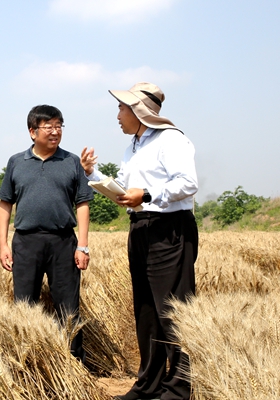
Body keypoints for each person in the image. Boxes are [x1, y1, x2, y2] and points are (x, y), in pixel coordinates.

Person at [81, 82, 198, 400]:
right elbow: (127, 192)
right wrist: (93, 176)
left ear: (139, 111)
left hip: (169, 229)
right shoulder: (133, 146)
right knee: (146, 309)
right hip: (141, 229)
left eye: (122, 108)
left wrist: (145, 195)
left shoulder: (170, 139)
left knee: (173, 309)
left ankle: (181, 387)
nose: (117, 114)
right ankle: (149, 383)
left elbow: (188, 183)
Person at [0, 104, 93, 361]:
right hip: (26, 243)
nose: (55, 131)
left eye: (59, 126)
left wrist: (82, 245)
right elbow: (5, 203)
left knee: (68, 308)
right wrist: (3, 244)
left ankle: (74, 367)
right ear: (32, 131)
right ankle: (26, 364)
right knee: (24, 306)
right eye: (48, 126)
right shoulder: (17, 162)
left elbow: (83, 203)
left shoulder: (72, 161)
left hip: (63, 242)